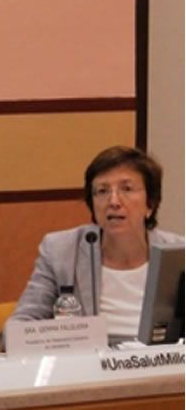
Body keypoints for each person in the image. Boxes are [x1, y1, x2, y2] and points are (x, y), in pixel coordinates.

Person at [9, 146, 184, 344]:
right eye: (102, 191)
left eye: (127, 189)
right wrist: (68, 338)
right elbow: (15, 331)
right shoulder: (61, 251)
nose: (114, 201)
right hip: (90, 360)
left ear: (150, 204)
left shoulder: (178, 255)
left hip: (161, 362)